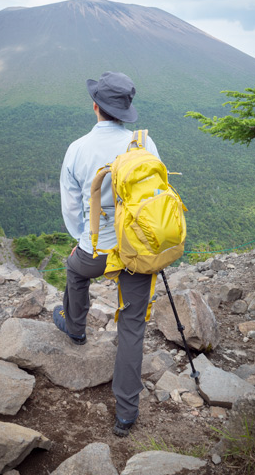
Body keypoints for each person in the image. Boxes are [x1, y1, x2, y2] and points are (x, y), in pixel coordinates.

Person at [53, 71, 160, 437]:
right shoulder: (143, 144)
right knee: (132, 327)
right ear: (126, 110)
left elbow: (70, 208)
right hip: (137, 253)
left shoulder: (78, 148)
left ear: (95, 106)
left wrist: (81, 238)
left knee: (74, 270)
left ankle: (75, 328)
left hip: (96, 249)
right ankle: (126, 414)